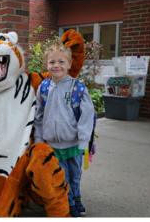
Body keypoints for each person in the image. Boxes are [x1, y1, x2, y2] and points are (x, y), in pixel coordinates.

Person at [34, 40, 97, 217]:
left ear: (69, 64)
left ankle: (76, 198)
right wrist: (39, 140)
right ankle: (69, 203)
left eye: (62, 62)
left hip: (74, 144)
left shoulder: (78, 89)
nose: (57, 66)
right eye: (52, 62)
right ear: (46, 64)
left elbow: (86, 118)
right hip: (53, 144)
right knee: (62, 176)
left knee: (75, 175)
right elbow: (38, 116)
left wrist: (84, 142)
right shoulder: (44, 87)